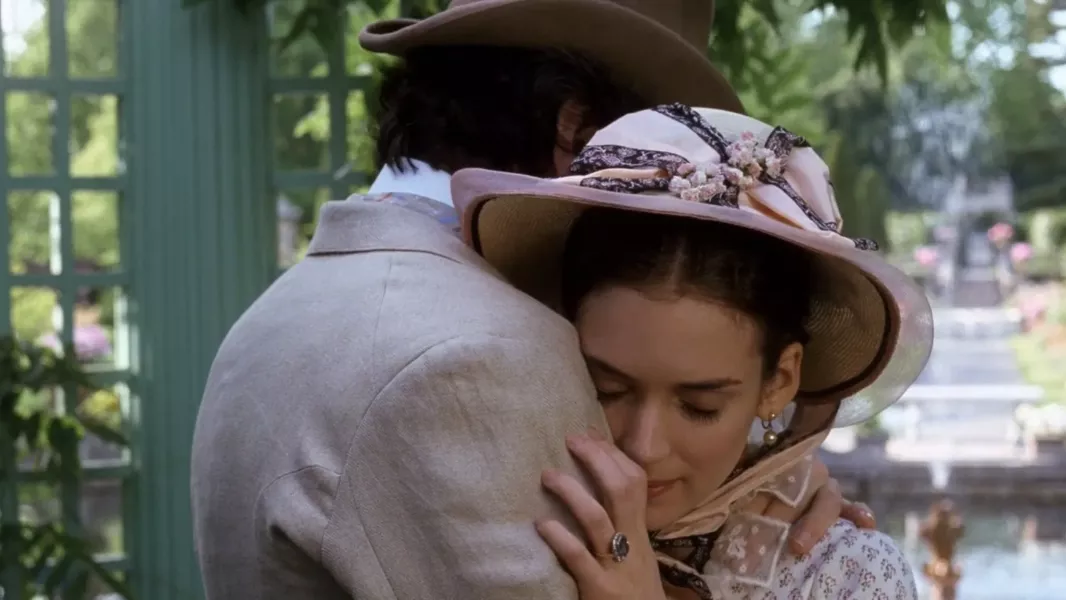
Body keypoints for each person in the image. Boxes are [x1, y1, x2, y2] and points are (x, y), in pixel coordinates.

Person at [190, 2, 871, 599]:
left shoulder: (279, 313)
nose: (642, 447)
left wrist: (753, 493)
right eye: (651, 148)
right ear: (577, 128)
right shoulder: (479, 355)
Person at [450, 104, 934, 599]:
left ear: (779, 382)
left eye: (700, 406)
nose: (644, 447)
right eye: (605, 389)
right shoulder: (484, 505)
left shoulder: (844, 575)